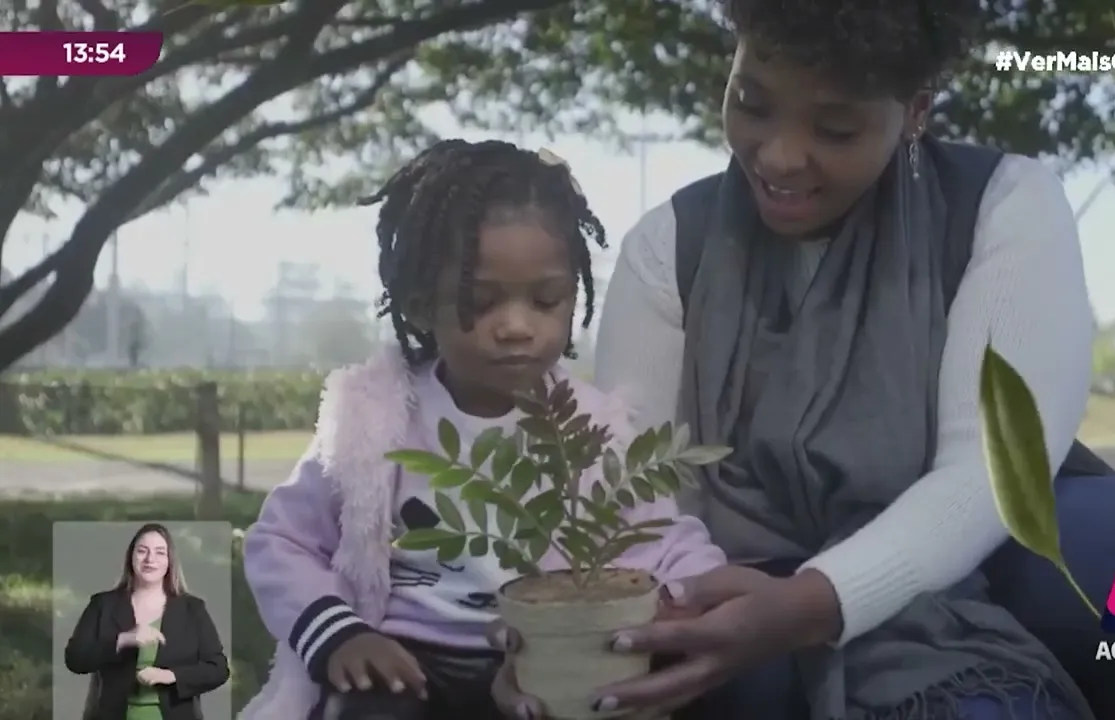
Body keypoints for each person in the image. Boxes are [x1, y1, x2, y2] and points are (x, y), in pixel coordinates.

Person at [487, 1, 1100, 718]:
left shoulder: (1002, 205)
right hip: (705, 607)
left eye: (835, 128)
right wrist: (562, 643)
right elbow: (630, 494)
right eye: (751, 103)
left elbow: (991, 473)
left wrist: (812, 604)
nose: (778, 155)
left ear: (915, 113)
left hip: (933, 615)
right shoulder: (669, 246)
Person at [237, 139, 726, 720]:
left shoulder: (597, 432)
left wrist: (690, 596)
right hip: (407, 659)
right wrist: (340, 636)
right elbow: (282, 541)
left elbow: (663, 542)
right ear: (420, 306)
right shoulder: (369, 422)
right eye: (482, 301)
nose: (517, 327)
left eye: (546, 300)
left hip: (536, 659)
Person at [65, 522, 229, 720]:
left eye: (160, 552)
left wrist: (170, 676)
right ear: (131, 557)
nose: (150, 559)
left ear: (170, 561)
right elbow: (74, 659)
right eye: (142, 551)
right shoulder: (102, 604)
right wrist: (123, 640)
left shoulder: (192, 609)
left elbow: (218, 669)